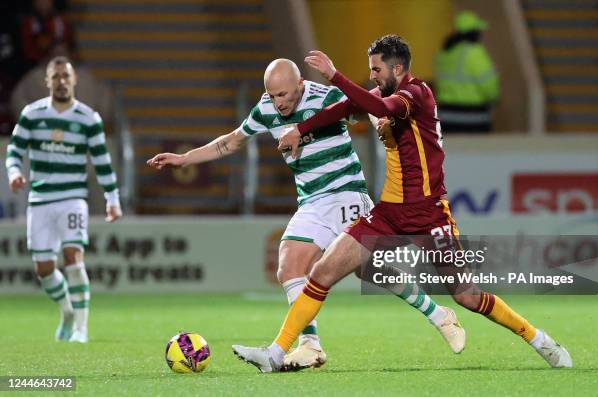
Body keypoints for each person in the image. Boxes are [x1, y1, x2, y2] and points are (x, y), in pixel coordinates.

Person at [232, 35, 571, 372]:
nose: (372, 76)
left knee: (467, 295)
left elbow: (379, 109)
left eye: (376, 70)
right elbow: (344, 109)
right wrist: (299, 130)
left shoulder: (416, 94)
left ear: (397, 68)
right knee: (322, 272)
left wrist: (335, 76)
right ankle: (275, 354)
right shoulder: (383, 92)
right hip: (388, 212)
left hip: (429, 215)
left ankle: (538, 339)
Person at [148, 58, 465, 369]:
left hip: (346, 191)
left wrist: (384, 127)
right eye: (272, 96)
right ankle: (310, 346)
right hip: (312, 201)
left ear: (300, 85)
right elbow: (232, 141)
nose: (278, 102)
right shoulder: (265, 109)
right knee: (288, 266)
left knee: (369, 270)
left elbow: (366, 106)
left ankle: (439, 316)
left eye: (283, 95)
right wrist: (185, 159)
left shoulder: (325, 96)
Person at [5, 56, 122, 343]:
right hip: (41, 200)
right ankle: (67, 311)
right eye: (55, 77)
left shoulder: (88, 118)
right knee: (43, 269)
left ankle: (81, 328)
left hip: (72, 198)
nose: (61, 81)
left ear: (74, 80)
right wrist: (14, 173)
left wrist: (112, 198)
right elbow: (14, 151)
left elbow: (102, 161)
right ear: (47, 81)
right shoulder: (32, 114)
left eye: (65, 76)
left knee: (73, 257)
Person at [434, 10, 499, 133]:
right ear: (474, 33)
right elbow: (489, 83)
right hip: (473, 117)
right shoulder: (475, 52)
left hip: (446, 116)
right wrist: (493, 98)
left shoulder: (445, 53)